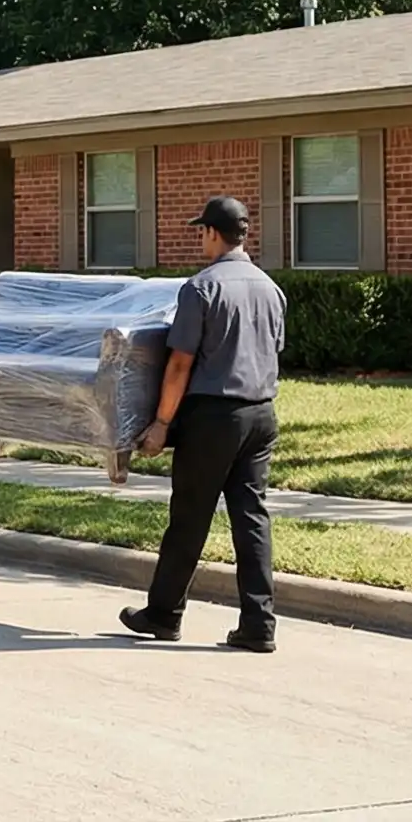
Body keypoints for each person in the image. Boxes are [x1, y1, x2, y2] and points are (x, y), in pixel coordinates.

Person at [118, 196, 286, 652]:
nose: (200, 238)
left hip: (213, 416)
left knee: (189, 517)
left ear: (212, 233)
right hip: (261, 414)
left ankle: (164, 614)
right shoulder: (272, 288)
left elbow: (180, 364)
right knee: (251, 519)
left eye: (201, 231)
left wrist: (161, 423)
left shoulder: (201, 288)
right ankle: (258, 623)